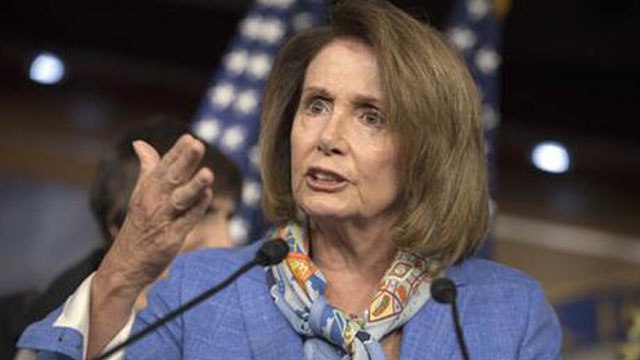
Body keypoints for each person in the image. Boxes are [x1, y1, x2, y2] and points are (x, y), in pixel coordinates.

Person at [17, 1, 562, 359]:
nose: (328, 135)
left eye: (371, 115)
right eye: (317, 104)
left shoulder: (508, 314)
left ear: (430, 152)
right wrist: (123, 271)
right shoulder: (199, 286)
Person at [8, 118, 242, 359]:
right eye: (200, 213)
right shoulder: (30, 334)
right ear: (120, 224)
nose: (226, 242)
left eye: (230, 217)